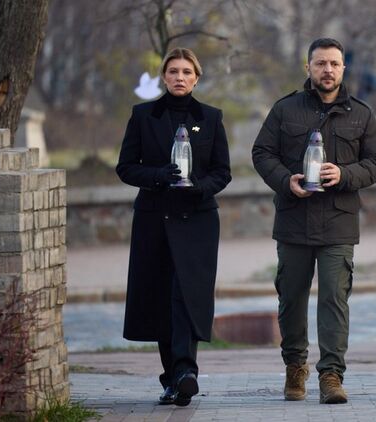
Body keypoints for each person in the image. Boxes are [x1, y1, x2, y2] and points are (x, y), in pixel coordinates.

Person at [251, 38, 376, 404]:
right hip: (293, 220)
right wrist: (286, 181)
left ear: (344, 68)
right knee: (291, 299)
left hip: (339, 222)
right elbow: (262, 152)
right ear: (308, 67)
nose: (327, 70)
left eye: (334, 64)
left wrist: (344, 174)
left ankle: (331, 375)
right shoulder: (285, 109)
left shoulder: (361, 114)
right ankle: (295, 367)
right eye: (320, 63)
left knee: (334, 299)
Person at [116, 47, 231, 407]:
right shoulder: (143, 115)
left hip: (197, 220)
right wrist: (157, 176)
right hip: (154, 219)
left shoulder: (211, 117)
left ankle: (185, 371)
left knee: (187, 295)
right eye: (173, 71)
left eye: (186, 72)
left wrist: (200, 187)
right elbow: (125, 167)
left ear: (197, 78)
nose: (180, 77)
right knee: (161, 297)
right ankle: (174, 377)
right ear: (164, 77)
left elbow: (222, 172)